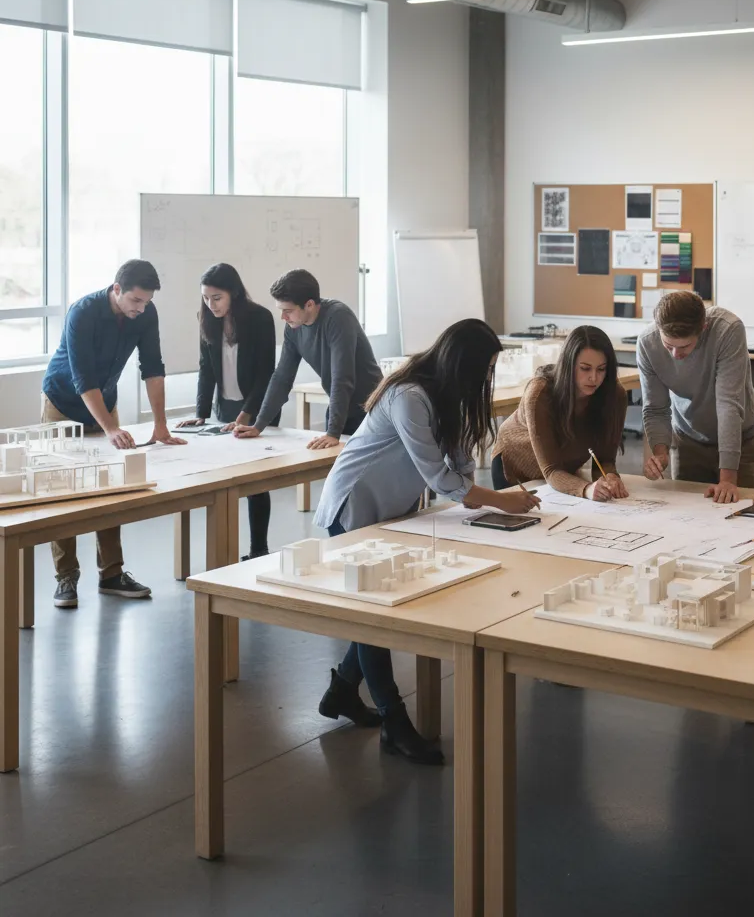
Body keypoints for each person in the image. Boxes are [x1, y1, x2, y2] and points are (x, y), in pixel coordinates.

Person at [313, 319, 539, 765]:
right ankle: (395, 724)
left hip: (391, 512)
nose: (486, 378)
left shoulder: (447, 398)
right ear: (463, 364)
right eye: (484, 367)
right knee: (374, 616)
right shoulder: (409, 397)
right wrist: (500, 501)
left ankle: (341, 691)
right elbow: (439, 477)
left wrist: (477, 495)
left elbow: (457, 464)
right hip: (354, 507)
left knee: (372, 612)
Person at [42, 259, 186, 608]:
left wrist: (160, 424)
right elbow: (82, 380)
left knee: (110, 487)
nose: (141, 308)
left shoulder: (145, 314)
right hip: (63, 403)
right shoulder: (83, 313)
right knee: (65, 488)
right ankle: (66, 578)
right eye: (135, 301)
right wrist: (110, 429)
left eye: (146, 302)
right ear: (116, 289)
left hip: (104, 402)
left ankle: (111, 574)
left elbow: (152, 368)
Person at [176, 263, 278, 560]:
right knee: (226, 479)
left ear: (233, 292)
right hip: (225, 409)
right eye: (206, 298)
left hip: (257, 409)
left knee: (257, 481)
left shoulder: (260, 318)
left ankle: (258, 548)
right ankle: (223, 552)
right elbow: (206, 369)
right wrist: (201, 413)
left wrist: (246, 416)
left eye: (217, 297)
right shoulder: (207, 320)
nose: (211, 304)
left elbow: (265, 374)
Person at [637, 290, 754, 502]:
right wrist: (660, 453)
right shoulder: (647, 343)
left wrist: (728, 479)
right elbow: (655, 408)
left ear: (703, 328)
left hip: (739, 441)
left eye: (684, 346)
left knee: (741, 513)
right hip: (688, 440)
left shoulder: (728, 330)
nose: (676, 355)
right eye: (668, 346)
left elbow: (728, 405)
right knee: (689, 515)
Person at [233, 269, 381, 447]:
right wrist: (258, 425)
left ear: (309, 305)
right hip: (344, 409)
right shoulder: (293, 328)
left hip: (373, 409)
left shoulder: (338, 317)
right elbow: (282, 378)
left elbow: (342, 377)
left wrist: (333, 432)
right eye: (281, 310)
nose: (283, 317)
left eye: (288, 310)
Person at [492, 325, 628, 500]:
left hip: (563, 472)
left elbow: (605, 460)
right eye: (585, 368)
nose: (594, 377)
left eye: (601, 369)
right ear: (568, 365)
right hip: (515, 469)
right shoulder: (540, 393)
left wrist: (610, 476)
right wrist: (586, 489)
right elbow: (551, 470)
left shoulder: (615, 395)